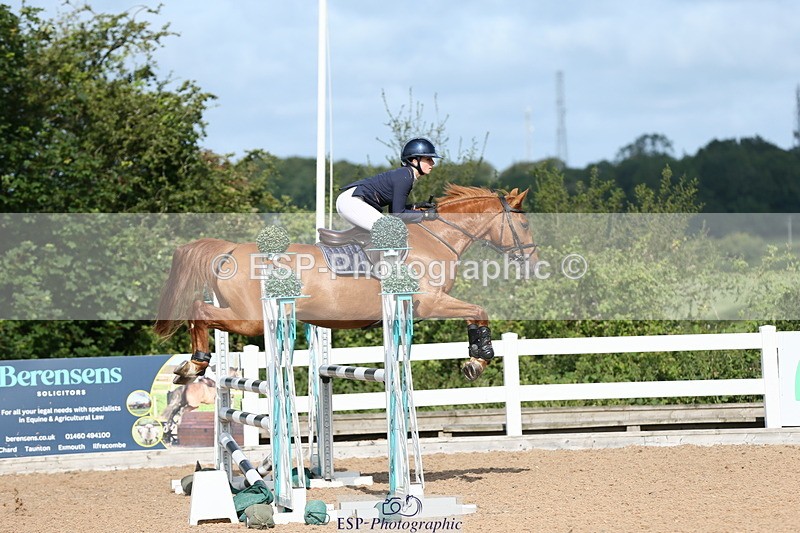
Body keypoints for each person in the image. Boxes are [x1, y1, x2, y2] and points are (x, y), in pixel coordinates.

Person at [336, 138, 441, 231]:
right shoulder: (405, 177)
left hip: (350, 201)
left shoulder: (405, 174)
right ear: (414, 161)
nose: (433, 163)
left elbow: (394, 211)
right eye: (428, 159)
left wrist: (416, 206)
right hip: (353, 202)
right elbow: (398, 214)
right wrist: (425, 215)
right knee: (391, 231)